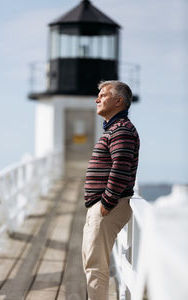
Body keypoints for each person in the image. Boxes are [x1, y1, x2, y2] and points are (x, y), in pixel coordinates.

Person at [82, 80, 140, 300]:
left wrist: (106, 203)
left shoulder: (122, 130)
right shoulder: (115, 129)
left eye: (103, 95)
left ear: (119, 101)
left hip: (108, 207)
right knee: (92, 263)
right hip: (102, 206)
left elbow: (121, 166)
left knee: (95, 267)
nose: (97, 99)